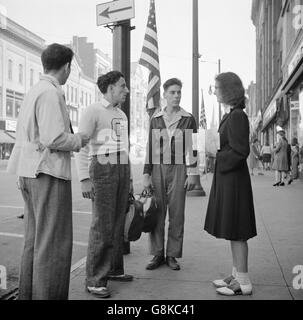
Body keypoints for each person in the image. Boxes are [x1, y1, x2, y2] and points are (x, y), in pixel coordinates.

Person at [6, 43, 89, 300]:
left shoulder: (34, 90)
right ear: (66, 67)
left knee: (34, 239)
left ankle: (29, 295)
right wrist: (81, 139)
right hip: (48, 172)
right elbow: (54, 138)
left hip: (29, 172)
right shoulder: (52, 93)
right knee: (53, 244)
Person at [75, 71, 133, 299]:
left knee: (118, 222)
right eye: (122, 86)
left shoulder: (121, 114)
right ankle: (95, 280)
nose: (126, 90)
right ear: (110, 88)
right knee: (102, 225)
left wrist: (128, 178)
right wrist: (84, 179)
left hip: (120, 166)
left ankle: (114, 270)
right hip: (102, 167)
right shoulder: (92, 111)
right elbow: (81, 146)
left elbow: (123, 147)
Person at [204, 72, 256, 296]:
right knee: (234, 229)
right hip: (230, 179)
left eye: (216, 87)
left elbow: (240, 151)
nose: (214, 91)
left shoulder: (236, 116)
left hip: (234, 181)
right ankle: (236, 274)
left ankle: (243, 281)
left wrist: (215, 155)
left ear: (227, 89)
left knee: (238, 230)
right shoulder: (232, 114)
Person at [143, 78, 200, 271]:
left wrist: (192, 173)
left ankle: (172, 255)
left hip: (178, 168)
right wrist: (146, 173)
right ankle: (157, 254)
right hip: (158, 167)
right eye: (172, 92)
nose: (176, 96)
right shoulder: (156, 118)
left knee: (177, 214)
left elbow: (194, 147)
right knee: (157, 212)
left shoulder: (188, 118)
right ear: (165, 94)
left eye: (179, 92)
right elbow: (150, 146)